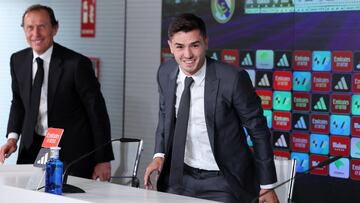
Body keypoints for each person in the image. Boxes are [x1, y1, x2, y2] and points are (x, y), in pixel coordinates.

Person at [144, 13, 279, 203]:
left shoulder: (232, 79)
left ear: (206, 42)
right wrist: (159, 155)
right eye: (180, 47)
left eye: (194, 45)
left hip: (223, 181)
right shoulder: (165, 72)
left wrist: (267, 186)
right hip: (178, 178)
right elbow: (165, 115)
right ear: (170, 47)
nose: (188, 55)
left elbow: (258, 131)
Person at [0, 4, 114, 181]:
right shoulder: (18, 60)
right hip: (33, 147)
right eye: (30, 27)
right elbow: (18, 102)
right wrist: (12, 138)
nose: (35, 34)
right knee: (30, 195)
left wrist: (103, 159)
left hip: (70, 151)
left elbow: (97, 113)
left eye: (42, 26)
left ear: (55, 28)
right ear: (24, 30)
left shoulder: (76, 64)